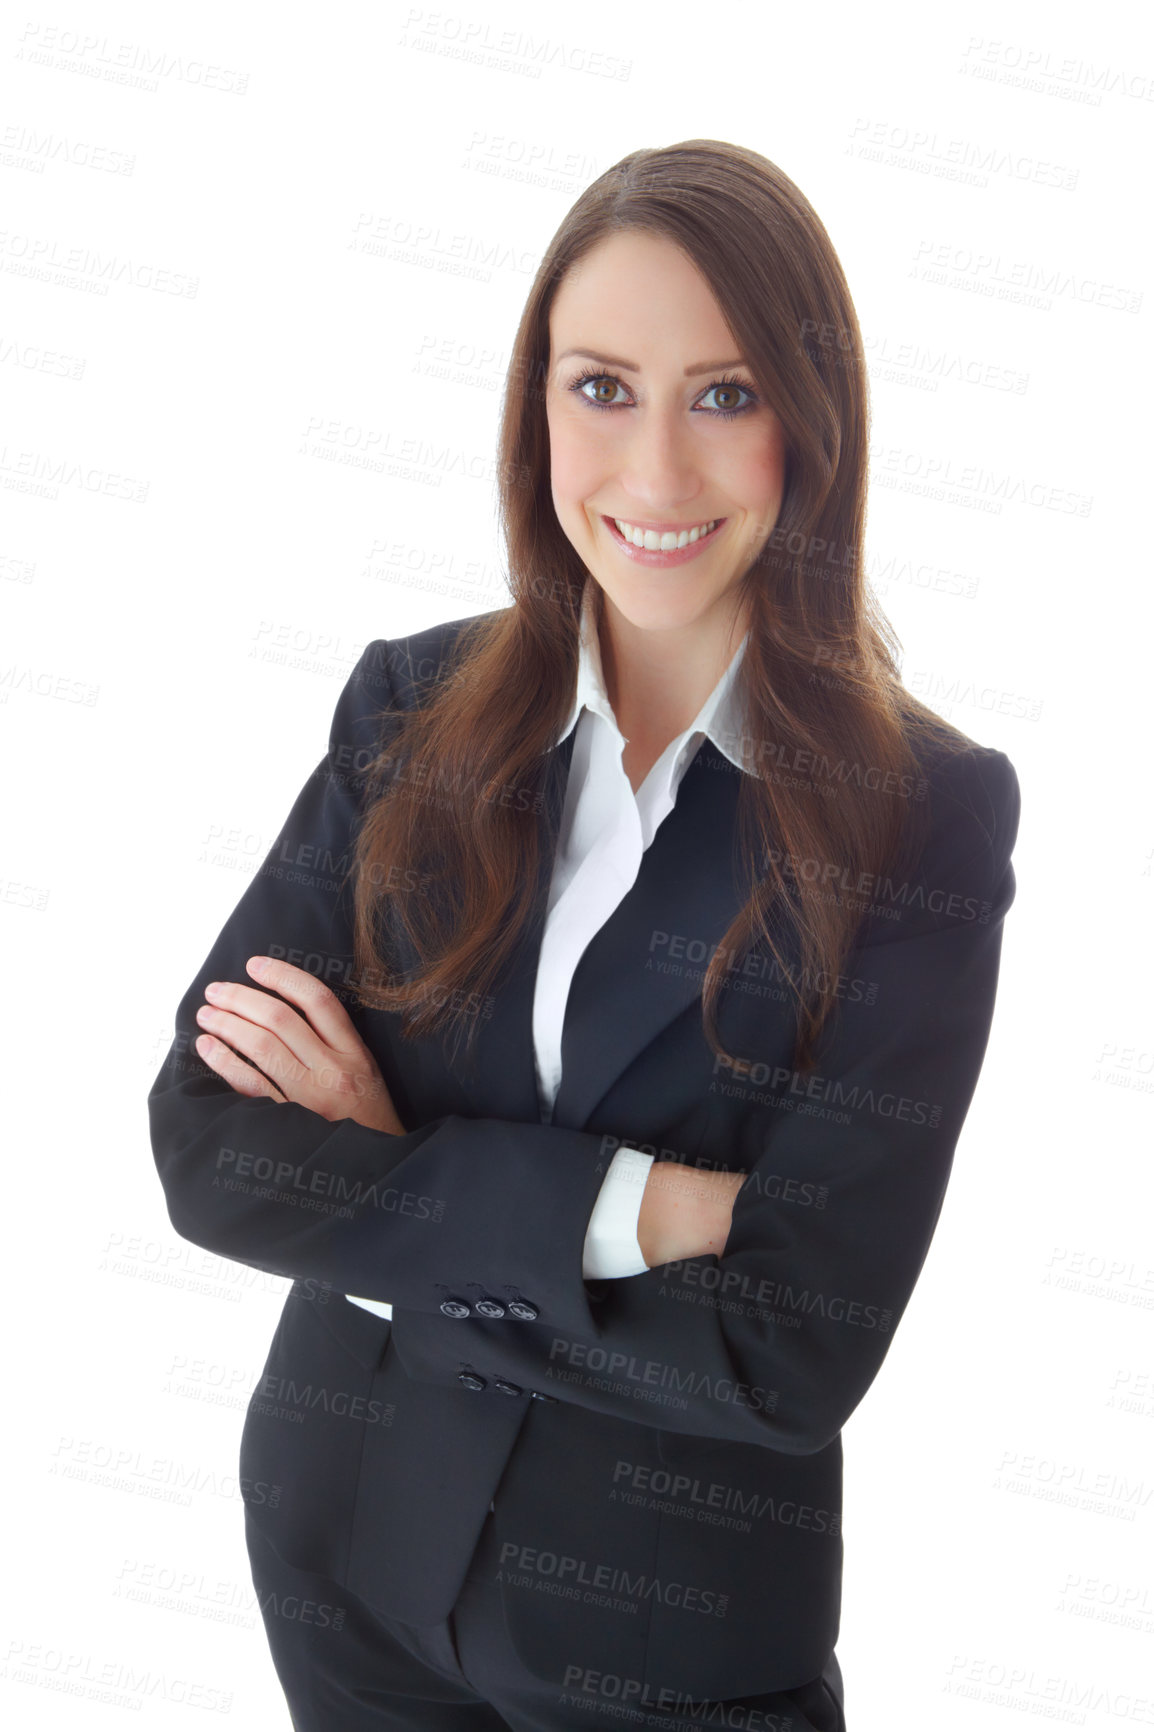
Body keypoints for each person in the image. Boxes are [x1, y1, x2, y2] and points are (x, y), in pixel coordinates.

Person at [148, 138, 1022, 1731]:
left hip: (668, 1648)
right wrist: (643, 1209)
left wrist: (387, 1169)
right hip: (346, 1557)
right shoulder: (408, 711)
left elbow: (789, 1352)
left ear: (810, 428)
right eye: (602, 388)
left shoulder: (919, 819)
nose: (654, 475)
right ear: (533, 410)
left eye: (726, 394)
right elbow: (209, 1150)